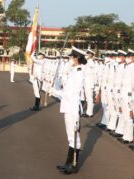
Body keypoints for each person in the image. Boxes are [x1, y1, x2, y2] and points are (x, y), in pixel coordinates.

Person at [57, 46, 87, 175]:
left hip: (73, 107)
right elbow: (65, 86)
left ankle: (74, 164)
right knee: (70, 136)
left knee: (75, 136)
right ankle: (68, 162)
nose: (70, 58)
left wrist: (57, 92)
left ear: (77, 58)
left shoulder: (79, 72)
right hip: (68, 106)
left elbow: (71, 93)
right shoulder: (73, 70)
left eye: (71, 56)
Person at [118, 49, 134, 144]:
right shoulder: (128, 67)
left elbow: (133, 84)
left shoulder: (133, 67)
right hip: (124, 93)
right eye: (127, 57)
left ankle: (129, 137)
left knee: (128, 116)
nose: (127, 58)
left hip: (128, 95)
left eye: (129, 57)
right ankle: (125, 135)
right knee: (125, 115)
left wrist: (130, 97)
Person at [81, 49, 96, 118]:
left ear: (92, 55)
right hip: (86, 81)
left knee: (89, 98)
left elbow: (93, 74)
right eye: (87, 53)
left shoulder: (91, 62)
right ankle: (88, 112)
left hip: (89, 82)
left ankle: (90, 113)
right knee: (88, 98)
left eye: (89, 53)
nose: (87, 54)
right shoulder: (87, 61)